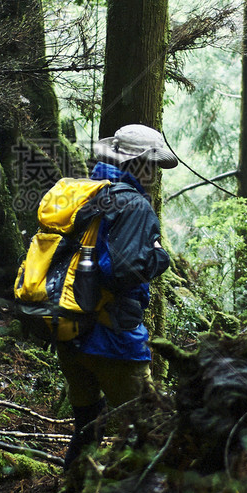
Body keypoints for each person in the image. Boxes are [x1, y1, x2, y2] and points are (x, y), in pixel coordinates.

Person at [57, 124, 177, 470]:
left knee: (87, 428)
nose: (155, 174)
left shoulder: (84, 192)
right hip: (112, 340)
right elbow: (121, 272)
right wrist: (159, 257)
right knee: (151, 427)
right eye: (152, 165)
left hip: (69, 332)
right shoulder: (134, 205)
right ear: (136, 164)